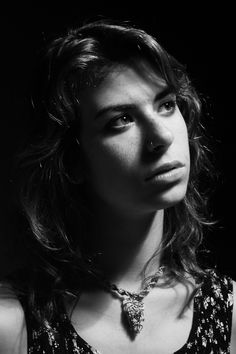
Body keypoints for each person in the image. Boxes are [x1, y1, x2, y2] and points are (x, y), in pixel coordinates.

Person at [0, 19, 235, 353]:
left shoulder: (230, 312)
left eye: (166, 105)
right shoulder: (12, 323)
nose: (162, 137)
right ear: (72, 161)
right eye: (120, 121)